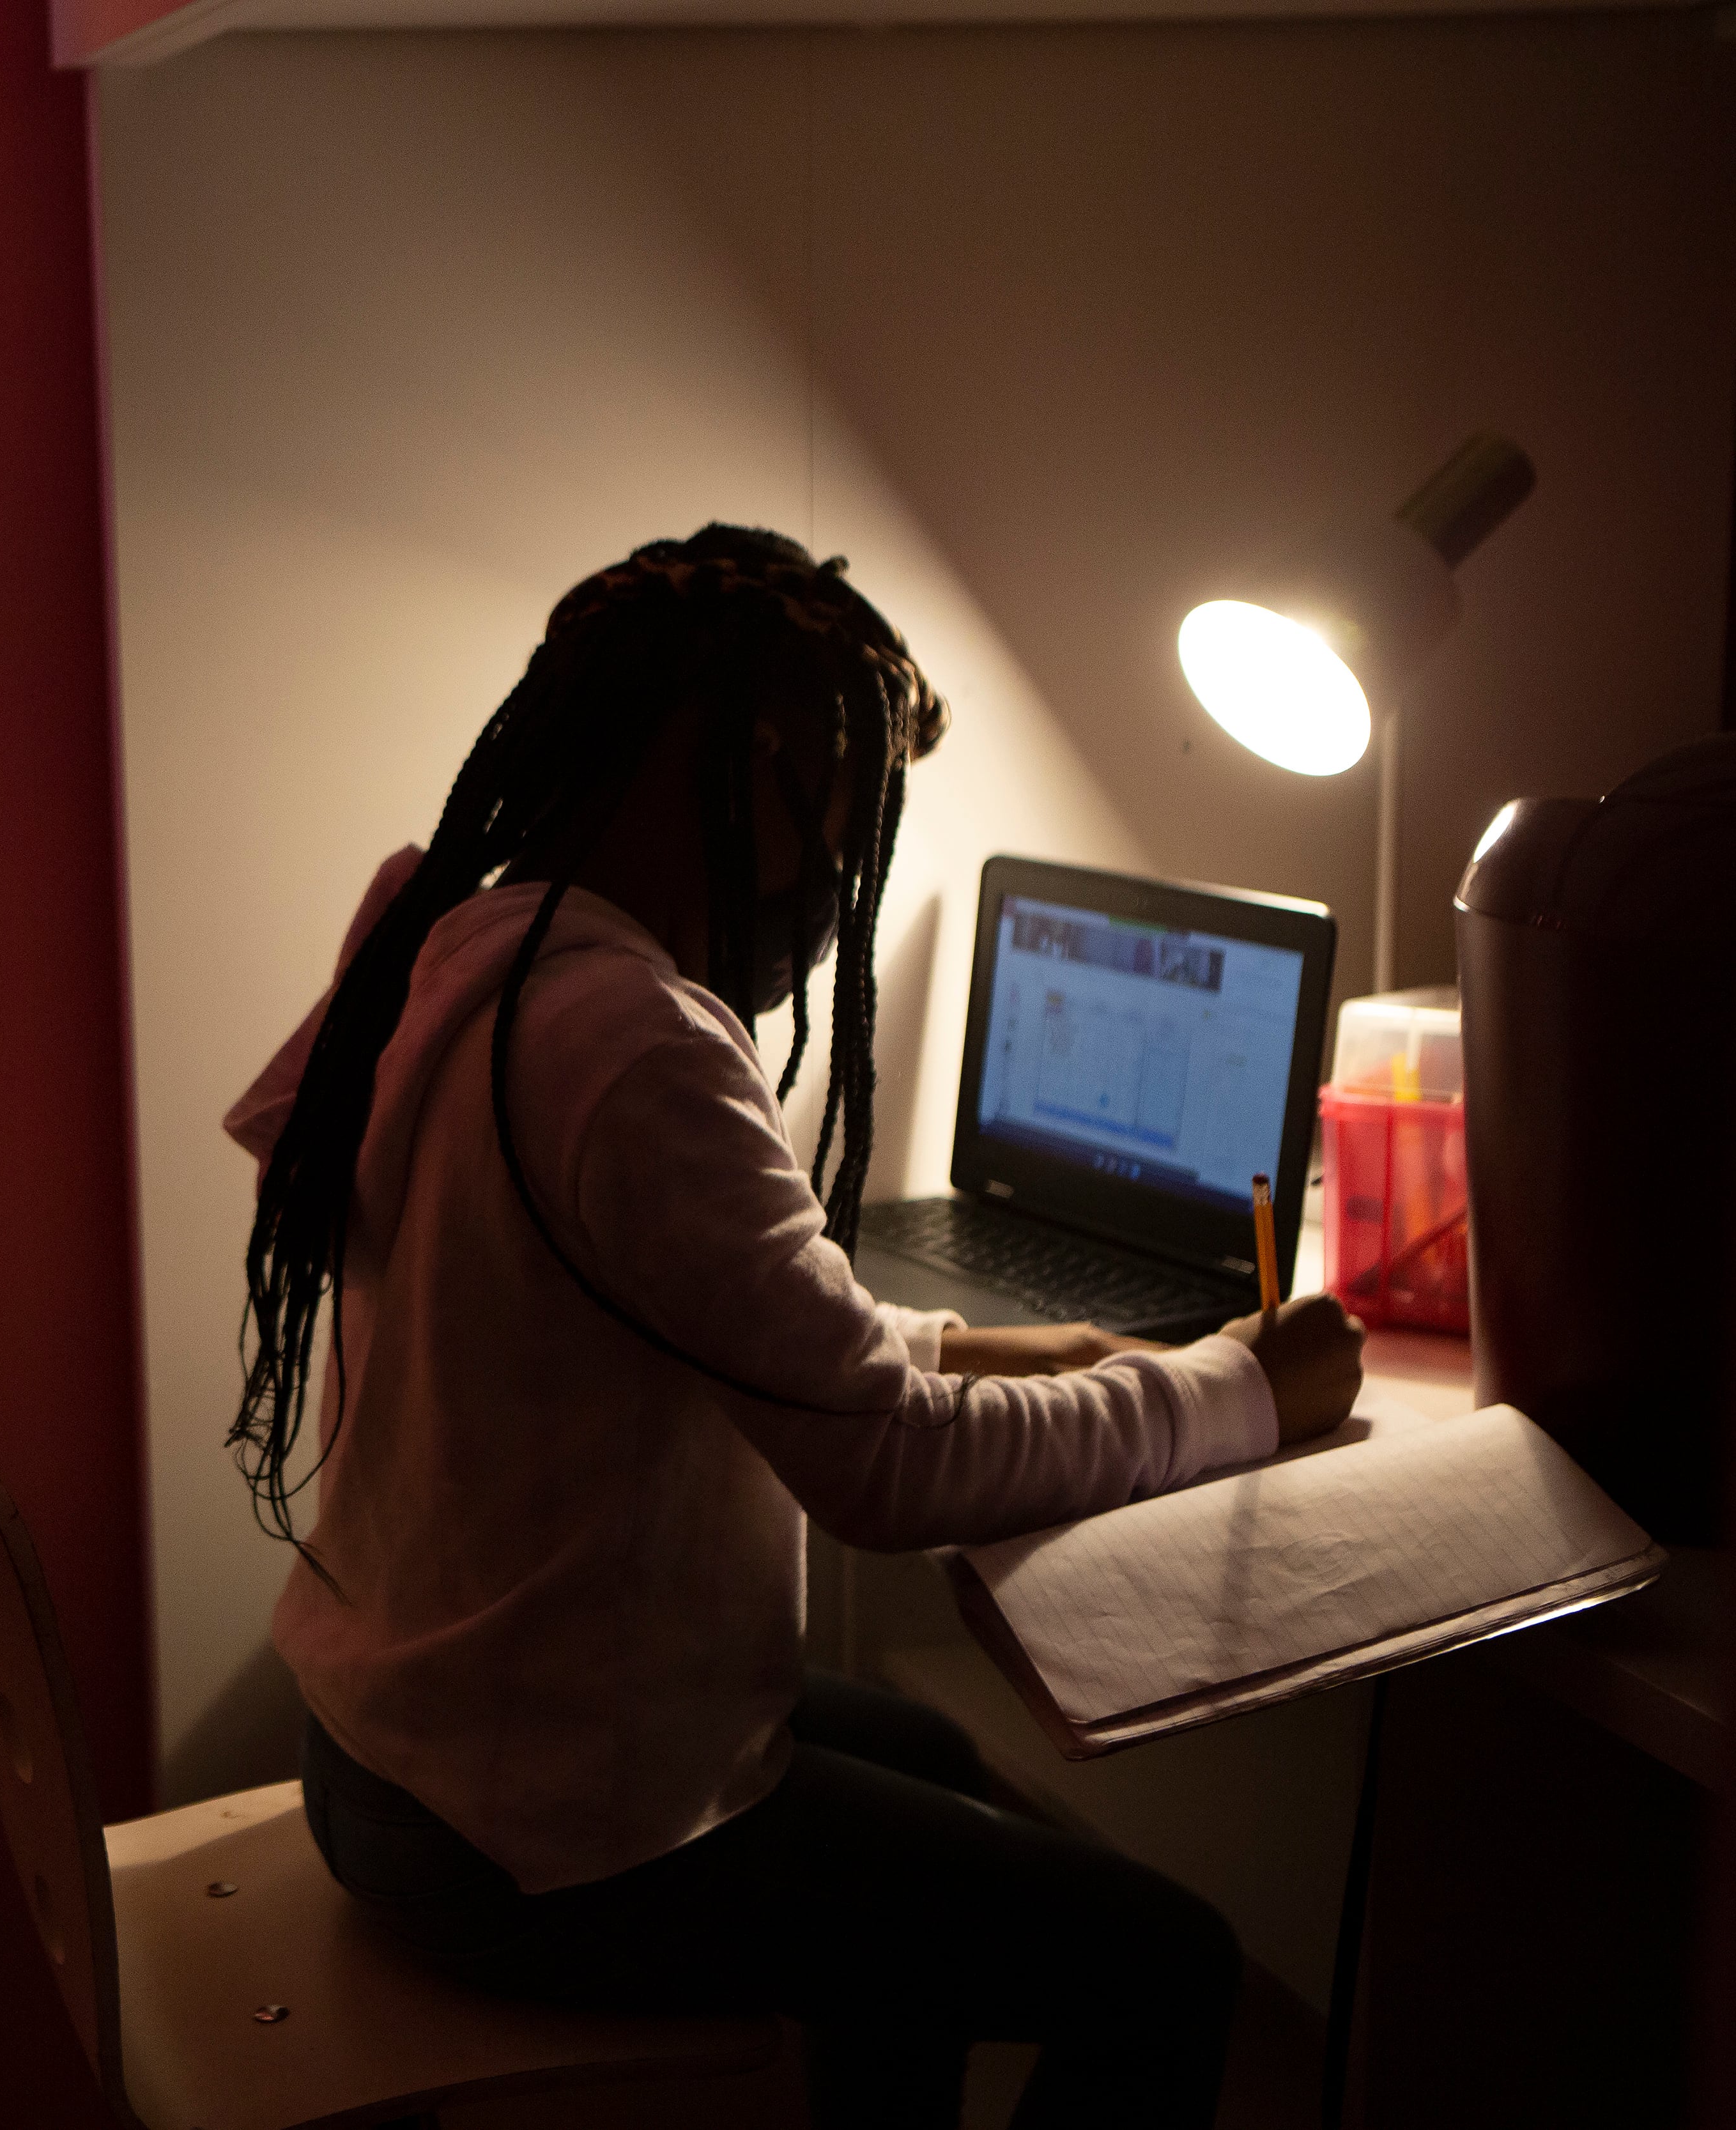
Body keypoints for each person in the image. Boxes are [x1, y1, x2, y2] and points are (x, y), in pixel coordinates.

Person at [223, 526, 1364, 2129]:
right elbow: (886, 1476)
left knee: (945, 1780)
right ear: (745, 763)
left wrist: (981, 1348)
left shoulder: (436, 929)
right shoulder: (631, 1038)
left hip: (392, 1744)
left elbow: (648, 1302)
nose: (835, 895)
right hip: (531, 1833)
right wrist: (1237, 1388)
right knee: (1165, 1958)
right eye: (840, 825)